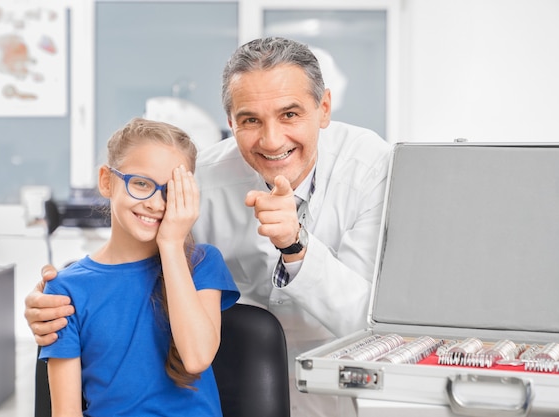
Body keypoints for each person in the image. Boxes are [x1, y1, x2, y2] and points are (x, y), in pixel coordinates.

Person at [26, 37, 390, 417]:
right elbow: (136, 264)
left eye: (290, 114)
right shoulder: (200, 182)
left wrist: (296, 247)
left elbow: (371, 320)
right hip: (219, 382)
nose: (271, 140)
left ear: (324, 108)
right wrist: (59, 297)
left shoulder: (371, 170)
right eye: (250, 120)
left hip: (332, 380)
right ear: (230, 122)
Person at [38, 118, 240, 417]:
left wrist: (171, 244)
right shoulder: (66, 289)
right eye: (141, 183)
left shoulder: (202, 263)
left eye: (171, 191)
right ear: (107, 181)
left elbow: (197, 357)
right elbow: (65, 412)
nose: (156, 203)